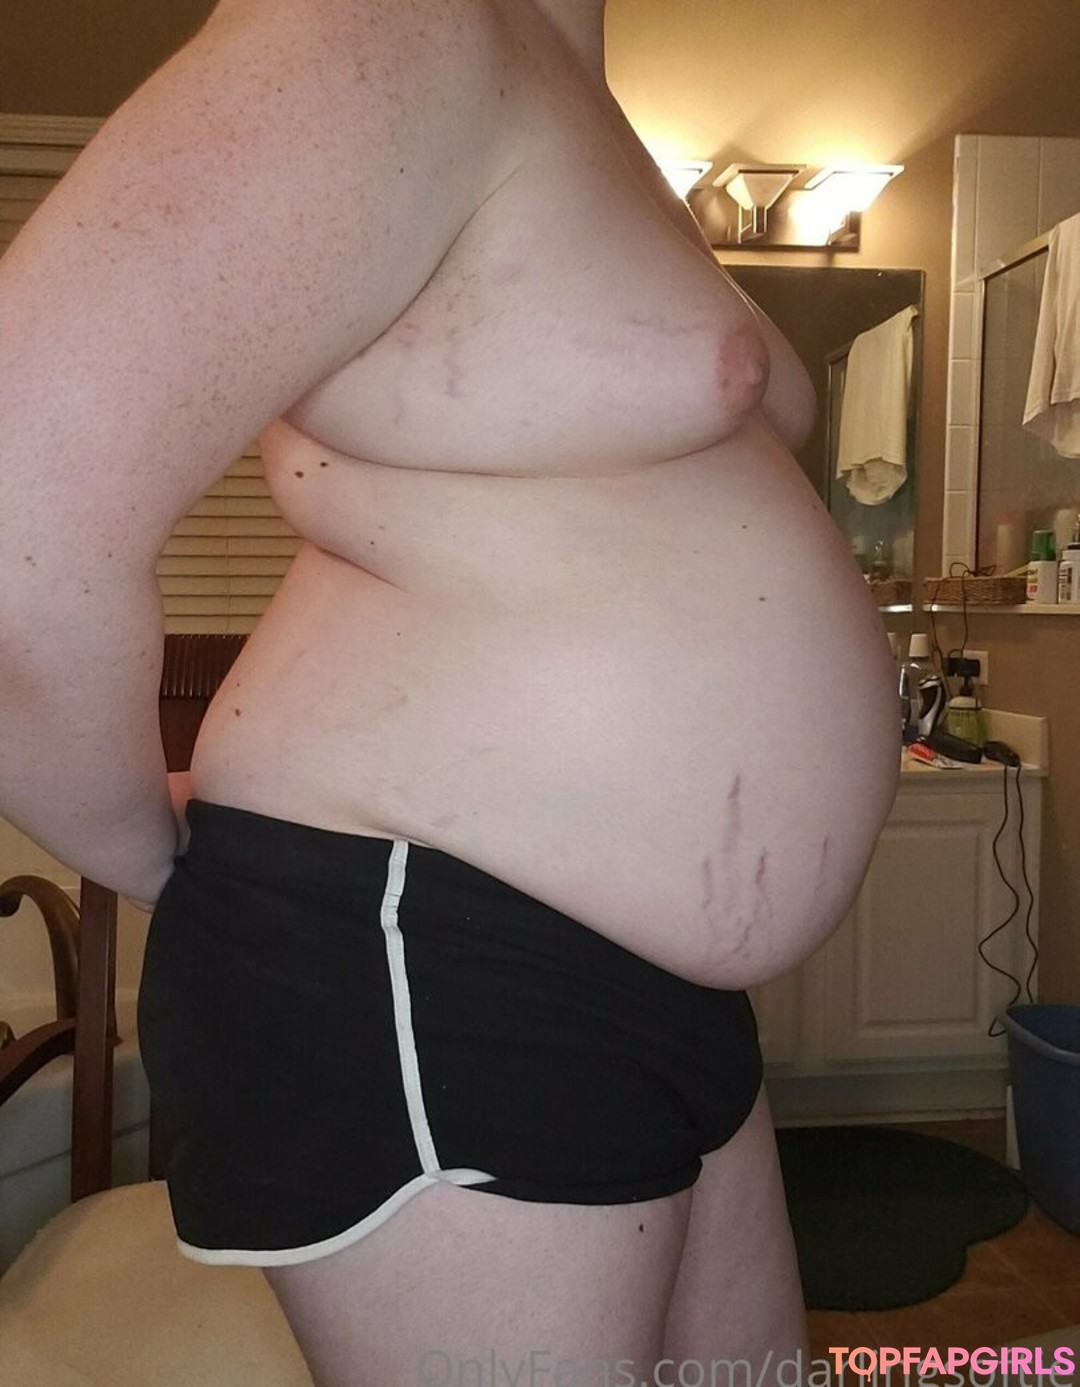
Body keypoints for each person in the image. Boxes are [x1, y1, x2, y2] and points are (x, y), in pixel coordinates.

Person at [0, 0, 899, 1381]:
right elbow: (20, 512)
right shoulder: (388, 23)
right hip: (431, 949)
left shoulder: (579, 92)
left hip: (640, 970)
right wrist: (147, 856)